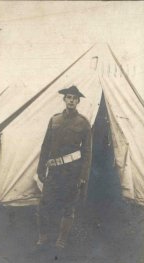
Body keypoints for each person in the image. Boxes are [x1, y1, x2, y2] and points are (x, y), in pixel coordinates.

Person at [37, 85, 92, 250]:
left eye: (74, 98)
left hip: (72, 172)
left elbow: (87, 153)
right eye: (69, 97)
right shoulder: (54, 120)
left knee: (69, 207)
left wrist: (83, 176)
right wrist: (40, 169)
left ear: (78, 101)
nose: (71, 100)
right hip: (54, 172)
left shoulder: (83, 123)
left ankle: (61, 239)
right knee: (44, 204)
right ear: (64, 99)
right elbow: (45, 146)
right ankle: (43, 236)